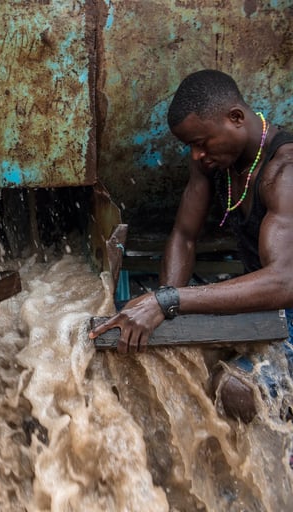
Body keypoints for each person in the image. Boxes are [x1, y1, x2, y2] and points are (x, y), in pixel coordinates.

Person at [90, 69, 293, 422]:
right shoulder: (214, 159)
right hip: (265, 306)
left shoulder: (284, 173)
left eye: (201, 143)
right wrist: (163, 311)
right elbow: (184, 236)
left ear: (236, 118)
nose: (197, 155)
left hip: (285, 302)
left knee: (236, 390)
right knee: (124, 329)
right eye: (191, 146)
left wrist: (167, 300)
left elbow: (284, 282)